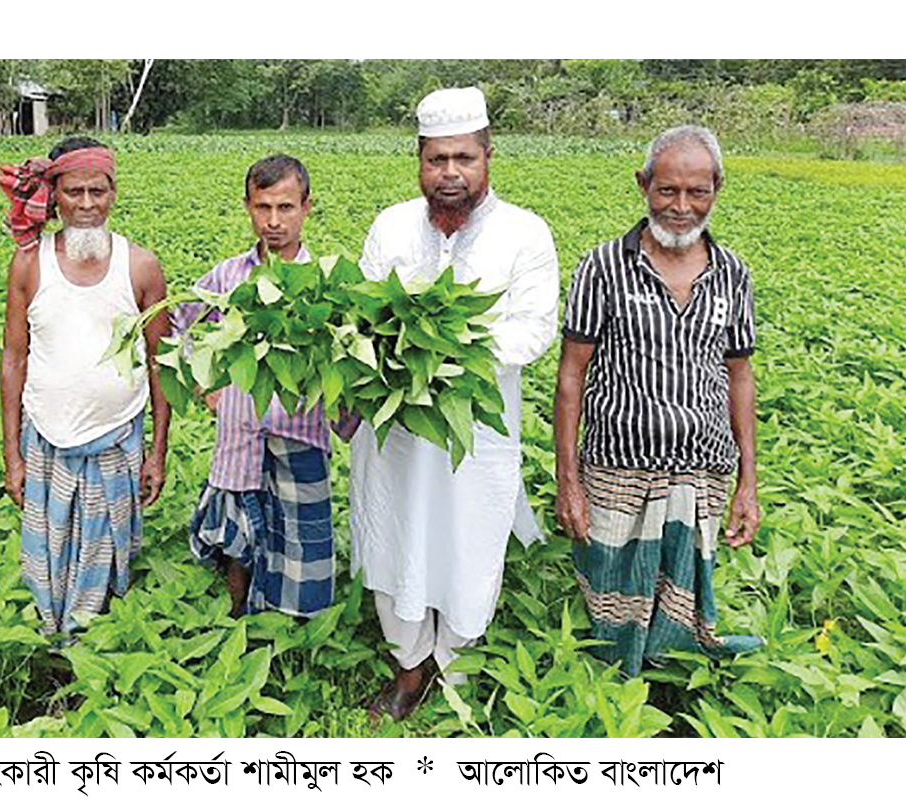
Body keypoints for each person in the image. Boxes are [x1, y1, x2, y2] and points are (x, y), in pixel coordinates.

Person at [349, 87, 560, 721]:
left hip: (476, 429)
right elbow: (362, 311)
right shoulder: (390, 225)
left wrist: (446, 341)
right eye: (437, 160)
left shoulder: (525, 233)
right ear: (419, 160)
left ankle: (457, 661)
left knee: (468, 537)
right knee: (396, 530)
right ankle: (410, 664)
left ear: (488, 157)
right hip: (397, 430)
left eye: (463, 159)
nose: (450, 174)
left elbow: (534, 328)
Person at [554, 125, 763, 677]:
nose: (682, 206)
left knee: (682, 593)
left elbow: (740, 377)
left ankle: (668, 690)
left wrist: (748, 482)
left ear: (717, 189)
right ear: (643, 184)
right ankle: (610, 692)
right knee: (610, 593)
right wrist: (568, 482)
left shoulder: (733, 274)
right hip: (617, 468)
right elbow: (571, 376)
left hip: (702, 470)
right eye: (667, 190)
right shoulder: (602, 267)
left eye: (698, 192)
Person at [0, 136, 170, 637]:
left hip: (117, 437)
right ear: (55, 196)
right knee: (49, 551)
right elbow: (14, 357)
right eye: (75, 193)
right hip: (46, 438)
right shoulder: (30, 264)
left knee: (109, 550)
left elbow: (161, 363)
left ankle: (97, 647)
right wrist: (12, 454)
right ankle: (57, 638)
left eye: (99, 191)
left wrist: (159, 452)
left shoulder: (140, 265)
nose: (88, 206)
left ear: (114, 193)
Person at [172, 154, 335, 619]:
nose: (273, 221)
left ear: (307, 207)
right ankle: (237, 618)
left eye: (285, 208)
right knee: (239, 538)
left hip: (298, 432)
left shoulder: (324, 282)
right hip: (239, 430)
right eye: (262, 208)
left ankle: (294, 634)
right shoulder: (228, 277)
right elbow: (181, 328)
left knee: (302, 539)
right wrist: (208, 392)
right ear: (247, 206)